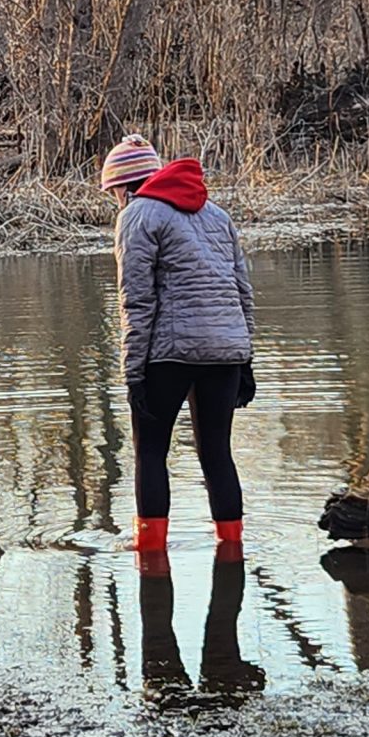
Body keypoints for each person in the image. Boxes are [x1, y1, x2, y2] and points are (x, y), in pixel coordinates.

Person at [101, 133, 255, 556]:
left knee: (150, 453)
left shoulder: (137, 215)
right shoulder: (217, 214)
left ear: (127, 186)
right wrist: (245, 359)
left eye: (113, 192)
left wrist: (133, 373)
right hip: (226, 353)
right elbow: (242, 291)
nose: (115, 201)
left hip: (167, 355)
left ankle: (150, 562)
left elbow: (136, 299)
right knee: (217, 455)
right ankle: (231, 552)